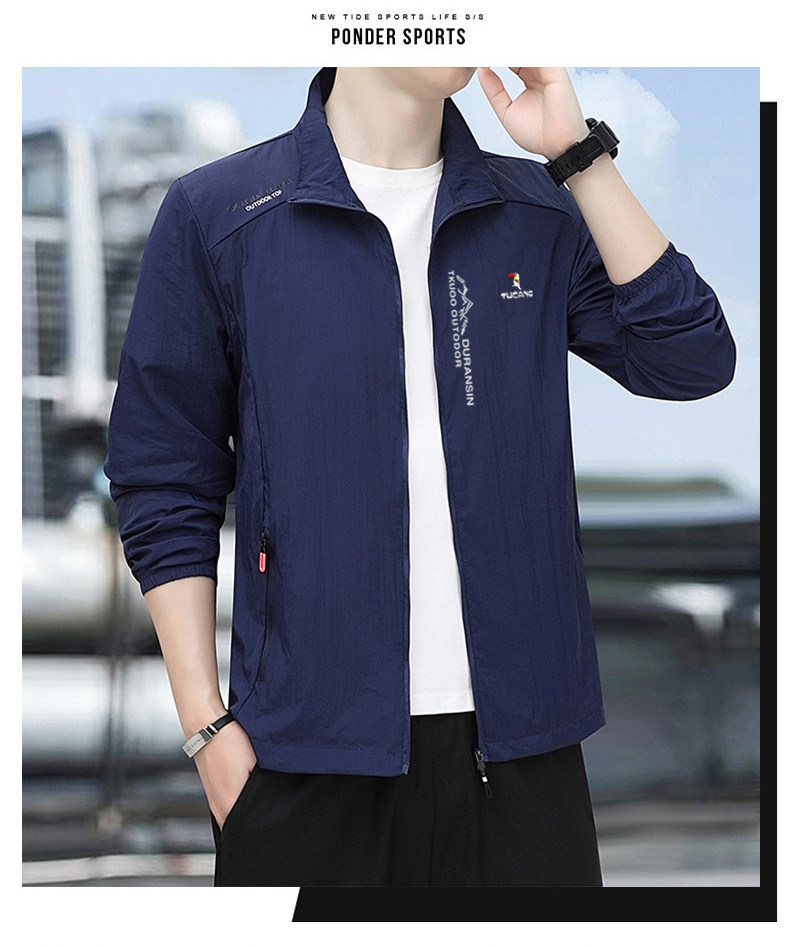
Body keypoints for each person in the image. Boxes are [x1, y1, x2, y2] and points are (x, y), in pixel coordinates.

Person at [103, 66, 736, 888]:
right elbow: (164, 475)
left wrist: (578, 156)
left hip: (525, 761)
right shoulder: (221, 213)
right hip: (304, 764)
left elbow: (691, 357)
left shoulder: (536, 212)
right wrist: (207, 730)